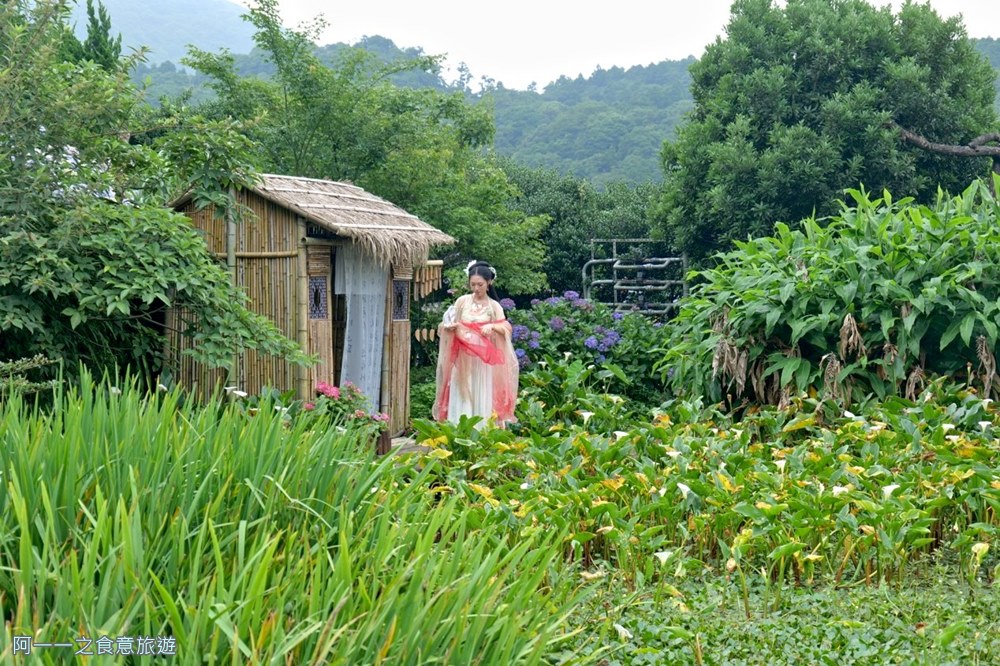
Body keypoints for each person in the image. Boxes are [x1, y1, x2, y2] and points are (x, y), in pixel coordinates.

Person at [432, 260, 519, 426]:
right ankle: (458, 428)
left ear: (489, 283)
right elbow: (449, 322)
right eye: (473, 285)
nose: (476, 289)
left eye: (480, 284)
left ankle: (482, 431)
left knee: (482, 392)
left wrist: (492, 326)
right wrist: (449, 328)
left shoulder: (494, 306)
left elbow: (506, 327)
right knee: (461, 392)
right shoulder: (462, 301)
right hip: (462, 358)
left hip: (483, 362)